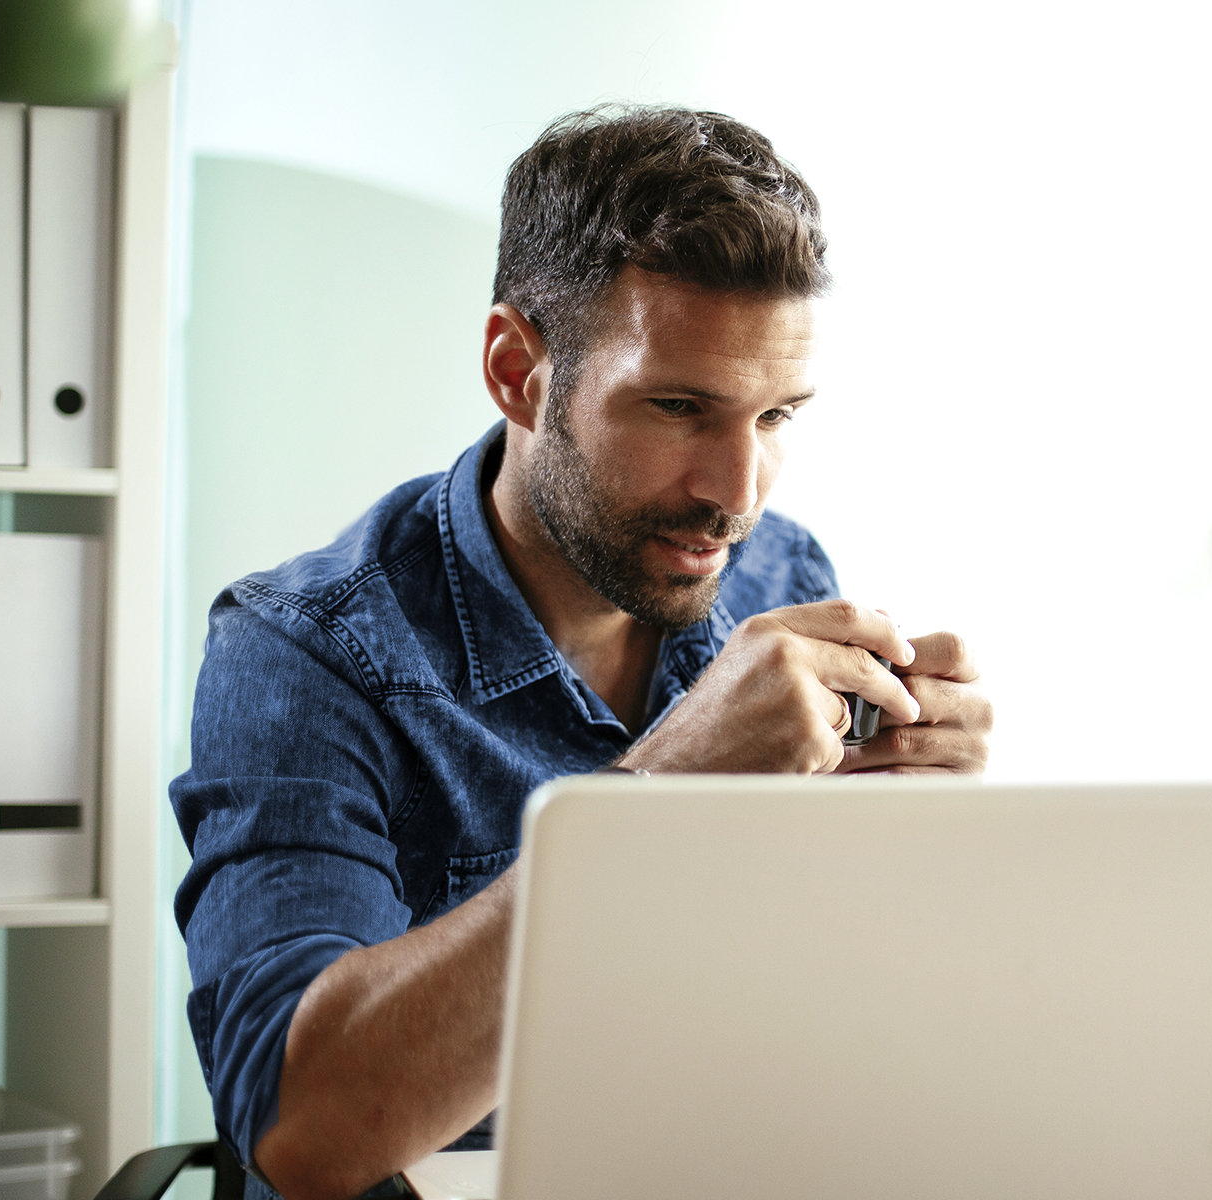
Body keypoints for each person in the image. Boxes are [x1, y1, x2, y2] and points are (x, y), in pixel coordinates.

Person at [171, 105, 993, 1200]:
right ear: (518, 370)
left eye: (778, 416)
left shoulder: (778, 577)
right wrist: (653, 800)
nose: (735, 496)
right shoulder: (303, 653)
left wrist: (924, 835)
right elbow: (300, 1130)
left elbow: (810, 1000)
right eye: (678, 406)